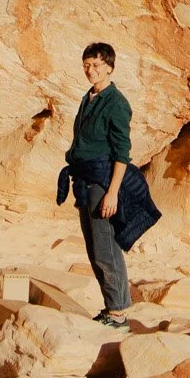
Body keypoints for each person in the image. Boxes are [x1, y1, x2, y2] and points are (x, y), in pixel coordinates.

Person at [65, 41, 133, 327]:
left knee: (106, 247)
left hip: (103, 182)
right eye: (86, 65)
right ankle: (111, 307)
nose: (90, 70)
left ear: (109, 67)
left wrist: (113, 193)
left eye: (95, 65)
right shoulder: (89, 97)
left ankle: (118, 313)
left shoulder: (116, 103)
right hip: (84, 180)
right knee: (93, 247)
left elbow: (122, 152)